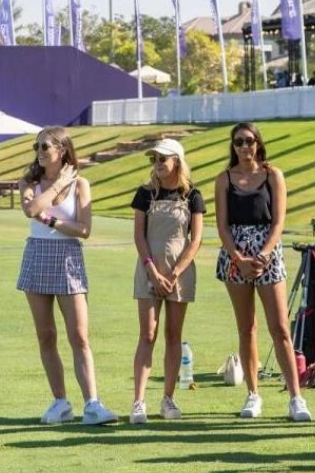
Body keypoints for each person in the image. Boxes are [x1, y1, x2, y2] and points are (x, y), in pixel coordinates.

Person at [16, 126, 117, 426]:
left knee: (79, 336)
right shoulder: (30, 181)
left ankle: (92, 404)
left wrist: (50, 220)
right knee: (46, 335)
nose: (40, 152)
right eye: (37, 147)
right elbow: (30, 208)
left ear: (62, 149)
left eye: (46, 146)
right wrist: (57, 183)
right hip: (37, 254)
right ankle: (60, 402)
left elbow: (84, 230)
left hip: (68, 257)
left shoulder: (80, 184)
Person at [214, 123, 311, 421]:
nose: (245, 147)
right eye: (239, 142)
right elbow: (222, 225)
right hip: (236, 254)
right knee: (247, 328)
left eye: (250, 141)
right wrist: (238, 258)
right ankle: (253, 394)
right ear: (233, 146)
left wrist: (264, 253)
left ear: (258, 143)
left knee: (280, 328)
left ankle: (296, 397)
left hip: (268, 252)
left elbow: (278, 221)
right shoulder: (224, 179)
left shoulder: (273, 175)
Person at [129, 139, 205, 424]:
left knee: (173, 336)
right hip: (149, 270)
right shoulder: (145, 194)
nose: (158, 164)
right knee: (148, 334)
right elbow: (139, 236)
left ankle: (168, 399)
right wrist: (152, 271)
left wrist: (173, 275)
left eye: (163, 158)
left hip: (180, 274)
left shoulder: (192, 195)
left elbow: (195, 239)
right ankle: (139, 402)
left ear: (177, 162)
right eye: (155, 159)